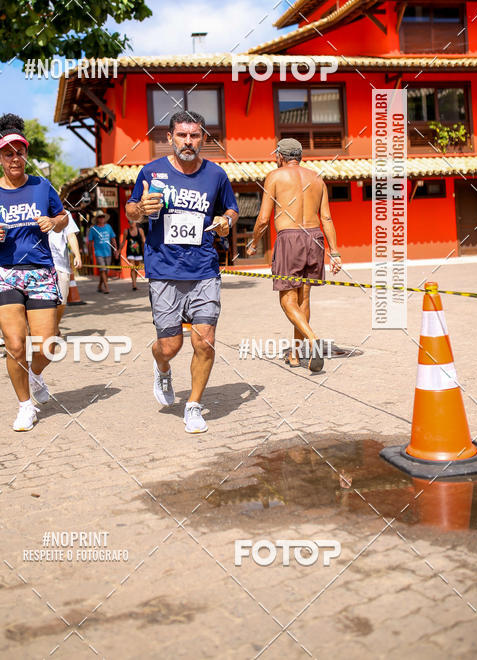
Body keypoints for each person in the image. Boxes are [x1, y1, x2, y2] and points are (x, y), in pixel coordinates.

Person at [126, 110, 238, 435]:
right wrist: (141, 209)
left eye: (194, 135)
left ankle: (193, 405)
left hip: (204, 269)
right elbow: (132, 209)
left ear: (203, 138)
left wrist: (226, 222)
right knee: (171, 346)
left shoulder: (216, 175)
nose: (188, 141)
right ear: (169, 138)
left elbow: (230, 208)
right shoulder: (151, 171)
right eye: (181, 135)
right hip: (163, 271)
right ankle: (162, 367)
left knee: (205, 341)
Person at [0, 113, 68, 432]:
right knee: (15, 343)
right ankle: (26, 406)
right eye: (8, 152)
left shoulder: (42, 186)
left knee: (48, 345)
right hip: (3, 271)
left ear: (26, 153)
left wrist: (54, 223)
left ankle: (35, 374)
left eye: (20, 151)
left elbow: (64, 217)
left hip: (40, 271)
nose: (15, 158)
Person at [247, 138, 342, 372]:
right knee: (304, 299)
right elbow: (327, 218)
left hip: (290, 238)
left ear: (281, 156)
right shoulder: (317, 179)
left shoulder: (275, 176)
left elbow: (262, 218)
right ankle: (296, 356)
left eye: (275, 156)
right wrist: (335, 252)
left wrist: (253, 243)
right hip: (314, 238)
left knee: (287, 300)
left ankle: (312, 339)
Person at [48, 212, 83, 333]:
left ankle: (54, 326)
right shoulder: (34, 209)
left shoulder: (64, 214)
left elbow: (71, 235)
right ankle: (46, 329)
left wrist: (77, 255)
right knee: (41, 300)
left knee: (61, 301)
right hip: (39, 264)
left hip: (61, 264)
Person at [87, 211, 117, 293]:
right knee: (103, 270)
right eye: (100, 217)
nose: (101, 218)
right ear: (97, 219)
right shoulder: (93, 229)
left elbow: (113, 238)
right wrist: (90, 254)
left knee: (106, 271)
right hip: (99, 253)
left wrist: (115, 249)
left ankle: (100, 286)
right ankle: (106, 287)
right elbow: (90, 242)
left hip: (108, 253)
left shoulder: (108, 227)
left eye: (103, 216)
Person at [119, 220, 146, 290]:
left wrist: (148, 249)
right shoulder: (126, 231)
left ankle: (134, 281)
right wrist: (119, 250)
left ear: (136, 222)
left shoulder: (140, 230)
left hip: (139, 252)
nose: (131, 223)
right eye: (130, 222)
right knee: (132, 268)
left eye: (132, 222)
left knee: (136, 268)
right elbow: (123, 242)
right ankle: (134, 284)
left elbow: (144, 240)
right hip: (130, 252)